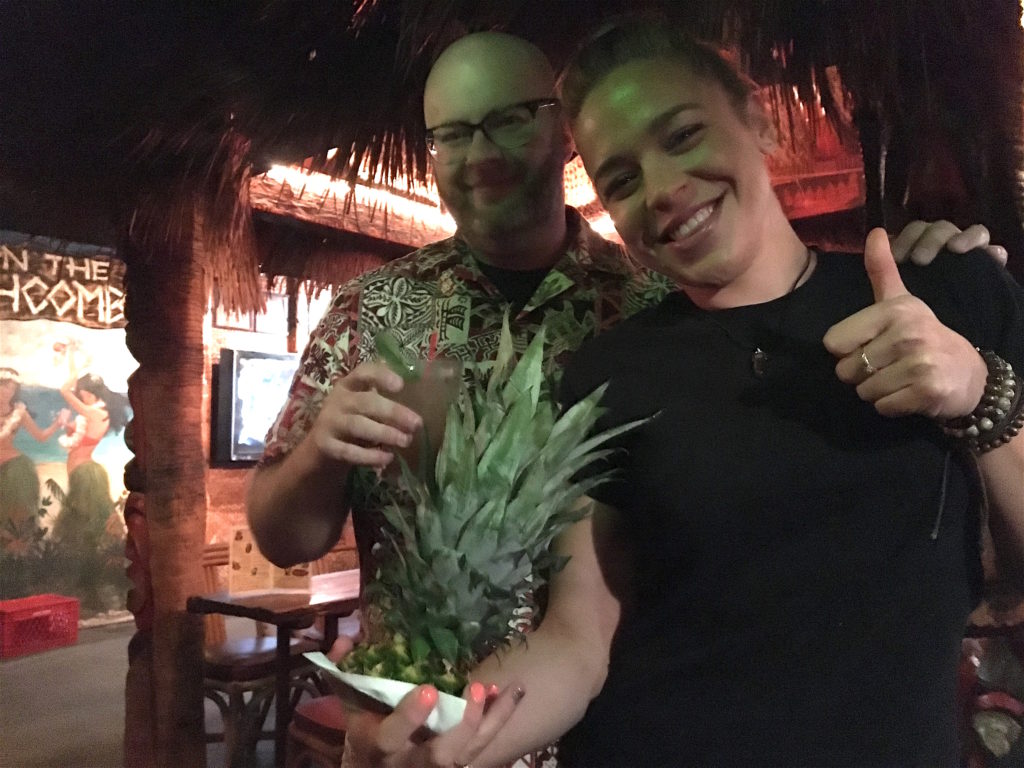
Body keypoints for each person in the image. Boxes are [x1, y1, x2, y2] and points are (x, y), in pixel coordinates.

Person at [246, 29, 1010, 768]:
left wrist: (979, 390)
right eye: (622, 178)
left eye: (682, 136)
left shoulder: (937, 295)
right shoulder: (608, 367)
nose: (666, 191)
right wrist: (452, 737)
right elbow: (581, 639)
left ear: (757, 118)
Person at [51, 371, 130, 552]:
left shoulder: (95, 412)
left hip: (84, 472)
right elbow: (84, 434)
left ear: (96, 395)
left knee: (87, 516)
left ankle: (91, 553)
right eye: (82, 396)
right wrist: (68, 425)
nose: (84, 399)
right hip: (82, 469)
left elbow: (66, 393)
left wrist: (67, 384)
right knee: (87, 515)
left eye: (86, 396)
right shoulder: (96, 414)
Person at [0, 367, 62, 551]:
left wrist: (57, 424)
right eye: (4, 387)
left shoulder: (19, 412)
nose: (7, 392)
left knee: (18, 518)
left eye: (12, 389)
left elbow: (40, 436)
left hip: (17, 470)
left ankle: (18, 559)